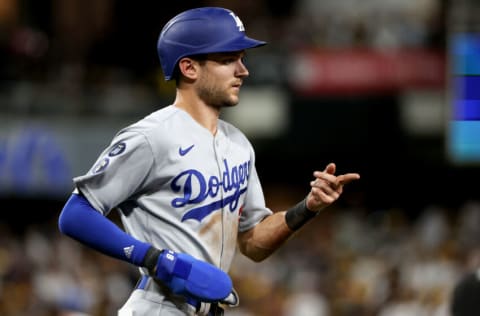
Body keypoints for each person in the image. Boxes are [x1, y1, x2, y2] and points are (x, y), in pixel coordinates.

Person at [57, 6, 360, 316]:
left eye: (242, 59)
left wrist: (308, 207)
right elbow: (75, 213)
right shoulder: (151, 137)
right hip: (159, 307)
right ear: (189, 68)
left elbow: (253, 242)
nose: (243, 70)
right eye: (229, 60)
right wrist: (153, 259)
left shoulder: (239, 144)